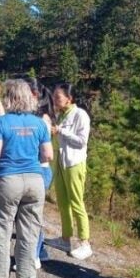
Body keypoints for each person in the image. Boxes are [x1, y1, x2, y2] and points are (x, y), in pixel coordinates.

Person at [0, 80, 52, 278]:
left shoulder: (1, 122)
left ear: (9, 97)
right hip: (35, 180)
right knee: (29, 231)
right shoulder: (39, 124)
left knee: (1, 227)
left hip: (7, 179)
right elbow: (48, 155)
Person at [0, 78, 55, 269]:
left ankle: (33, 256)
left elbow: (46, 156)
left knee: (19, 222)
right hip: (36, 173)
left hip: (26, 173)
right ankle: (30, 266)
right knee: (29, 219)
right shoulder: (35, 120)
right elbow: (48, 155)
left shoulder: (41, 119)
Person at [49, 82, 92, 260]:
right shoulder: (60, 115)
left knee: (76, 202)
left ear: (69, 99)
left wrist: (61, 131)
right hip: (60, 163)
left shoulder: (80, 115)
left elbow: (81, 141)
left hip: (74, 164)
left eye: (58, 98)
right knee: (62, 202)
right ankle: (65, 238)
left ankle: (85, 242)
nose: (55, 101)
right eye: (54, 97)